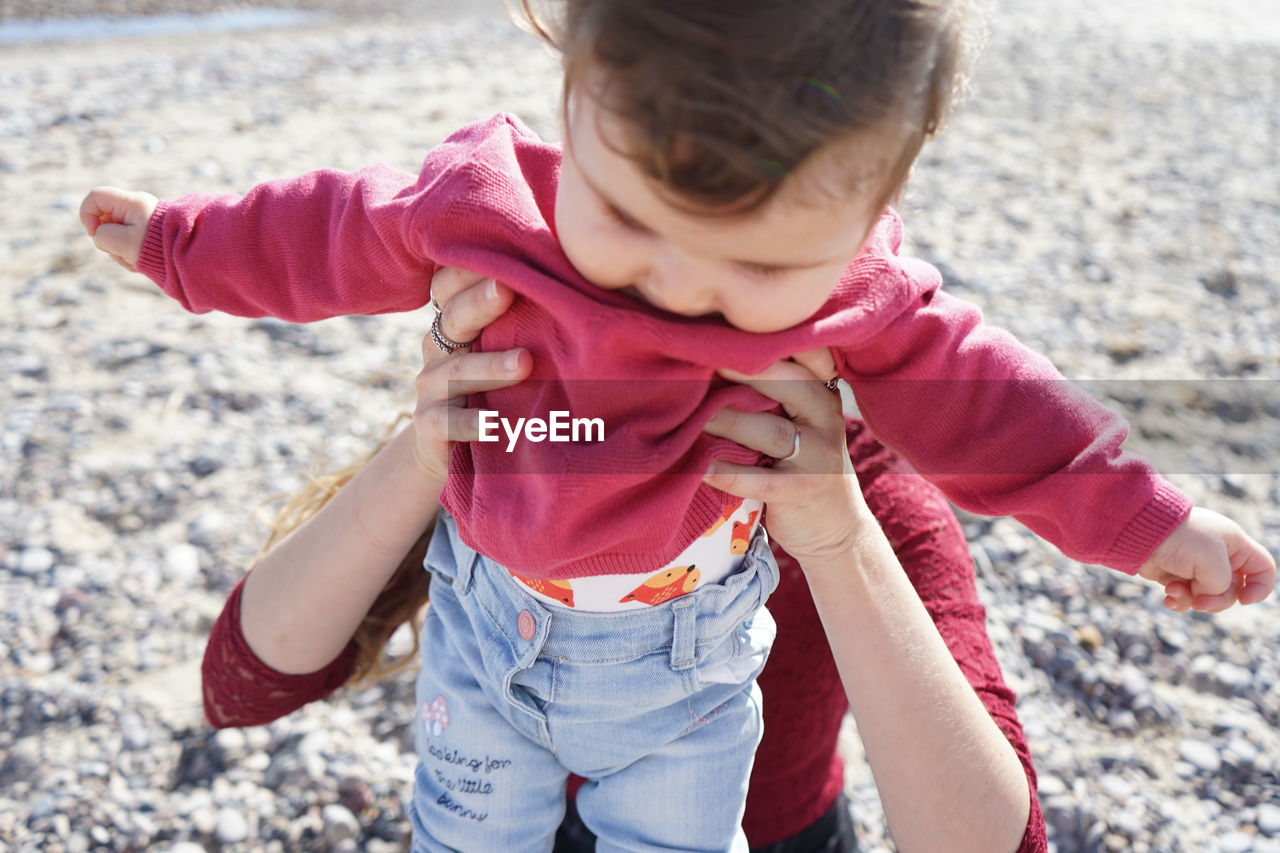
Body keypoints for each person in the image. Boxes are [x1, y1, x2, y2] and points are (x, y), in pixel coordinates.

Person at [80, 0, 1275, 848]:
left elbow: (1011, 417)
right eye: (628, 220)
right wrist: (182, 248)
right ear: (568, 96)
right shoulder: (489, 240)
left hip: (716, 740)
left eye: (752, 266)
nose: (674, 290)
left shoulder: (858, 409)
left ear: (871, 217)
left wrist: (1148, 524)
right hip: (493, 660)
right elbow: (318, 234)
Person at [201, 269, 1049, 852]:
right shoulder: (543, 423)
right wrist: (427, 455)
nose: (678, 288)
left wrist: (836, 540)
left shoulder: (865, 495)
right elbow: (243, 683)